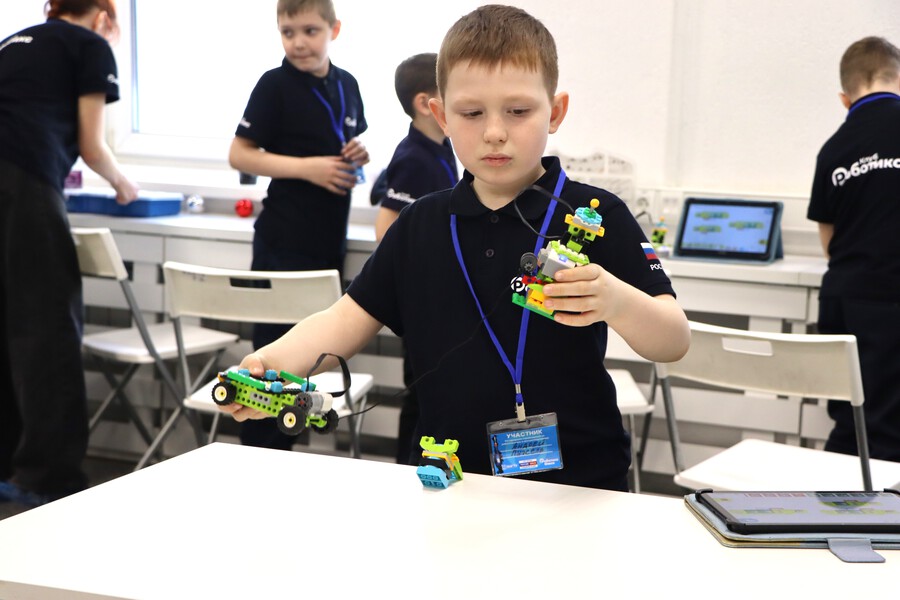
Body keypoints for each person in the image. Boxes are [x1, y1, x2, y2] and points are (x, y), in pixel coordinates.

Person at [221, 4, 690, 490]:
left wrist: (615, 300)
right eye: (471, 113)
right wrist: (265, 364)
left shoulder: (596, 214)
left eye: (518, 111)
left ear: (554, 113)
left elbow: (673, 340)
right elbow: (341, 322)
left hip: (580, 484)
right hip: (449, 482)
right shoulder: (419, 224)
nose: (494, 132)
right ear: (441, 116)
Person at [0, 0, 139, 509]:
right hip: (25, 182)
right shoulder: (89, 45)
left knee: (6, 325)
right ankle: (46, 476)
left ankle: (9, 465)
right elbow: (91, 143)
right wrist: (124, 184)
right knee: (47, 327)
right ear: (103, 15)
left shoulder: (13, 42)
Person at [227, 0, 368, 451]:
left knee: (308, 369)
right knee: (269, 369)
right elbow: (239, 154)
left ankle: (289, 461)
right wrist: (309, 169)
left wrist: (357, 155)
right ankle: (259, 460)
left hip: (327, 243)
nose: (298, 42)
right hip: (283, 242)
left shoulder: (347, 84)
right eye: (288, 32)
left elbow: (343, 144)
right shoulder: (274, 85)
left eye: (310, 31)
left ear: (334, 30)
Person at [807, 36, 900, 461]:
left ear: (845, 98)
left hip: (844, 300)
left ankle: (838, 498)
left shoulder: (833, 149)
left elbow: (830, 243)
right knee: (891, 432)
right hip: (892, 299)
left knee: (851, 423)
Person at [375, 53, 460, 464]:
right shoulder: (413, 157)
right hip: (422, 300)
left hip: (442, 298)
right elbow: (387, 226)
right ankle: (406, 470)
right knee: (420, 396)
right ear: (427, 104)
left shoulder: (442, 147)